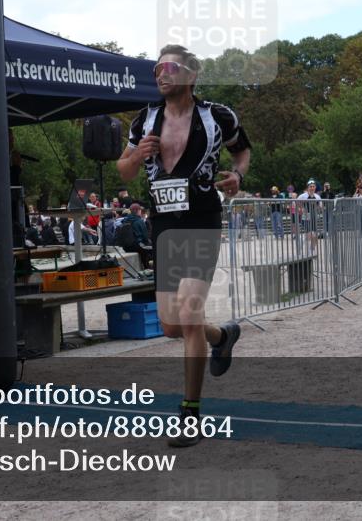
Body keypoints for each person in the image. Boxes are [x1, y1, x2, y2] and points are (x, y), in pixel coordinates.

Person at [116, 43, 250, 448]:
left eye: (169, 69)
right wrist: (136, 156)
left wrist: (238, 176)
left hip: (201, 220)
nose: (161, 75)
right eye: (157, 70)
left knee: (189, 316)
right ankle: (221, 337)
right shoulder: (144, 120)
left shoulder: (218, 116)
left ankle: (190, 416)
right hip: (163, 225)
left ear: (190, 75)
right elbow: (124, 171)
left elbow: (242, 151)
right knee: (172, 326)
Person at [116, 202, 153, 269]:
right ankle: (147, 267)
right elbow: (145, 236)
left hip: (126, 246)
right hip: (137, 246)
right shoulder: (139, 221)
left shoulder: (125, 220)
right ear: (138, 210)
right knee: (151, 249)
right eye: (140, 210)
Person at [296, 178, 322, 250]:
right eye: (310, 186)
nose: (312, 188)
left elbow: (320, 205)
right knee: (311, 234)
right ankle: (302, 241)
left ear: (315, 187)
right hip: (305, 217)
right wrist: (300, 209)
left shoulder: (317, 196)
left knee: (315, 236)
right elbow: (295, 203)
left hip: (314, 217)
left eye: (313, 186)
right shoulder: (302, 196)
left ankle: (312, 250)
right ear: (308, 187)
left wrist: (320, 208)